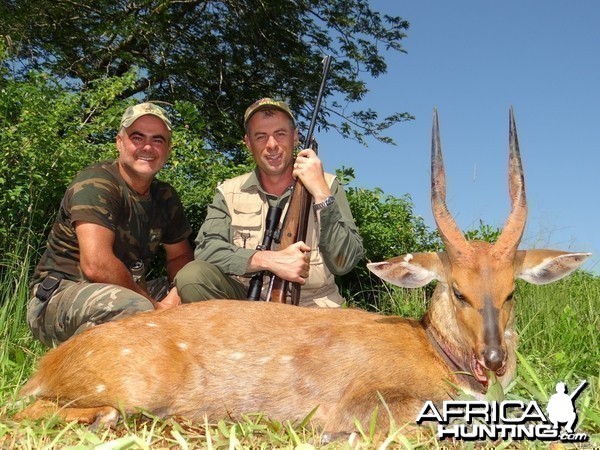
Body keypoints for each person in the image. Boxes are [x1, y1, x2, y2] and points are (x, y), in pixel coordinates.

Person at [28, 102, 194, 347]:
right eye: (137, 137)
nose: (147, 147)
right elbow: (96, 265)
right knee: (133, 307)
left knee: (201, 288)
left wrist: (176, 294)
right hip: (59, 298)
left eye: (158, 140)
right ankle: (73, 370)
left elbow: (179, 256)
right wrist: (155, 306)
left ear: (168, 149)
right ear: (119, 142)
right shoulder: (97, 183)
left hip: (128, 291)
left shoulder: (165, 196)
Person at [176, 98, 364, 307]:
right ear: (248, 143)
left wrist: (320, 192)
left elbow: (344, 262)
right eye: (261, 136)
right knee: (192, 277)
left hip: (313, 307)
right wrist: (267, 260)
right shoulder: (228, 191)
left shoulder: (328, 184)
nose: (272, 145)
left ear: (295, 138)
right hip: (244, 303)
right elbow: (206, 249)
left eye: (280, 134)